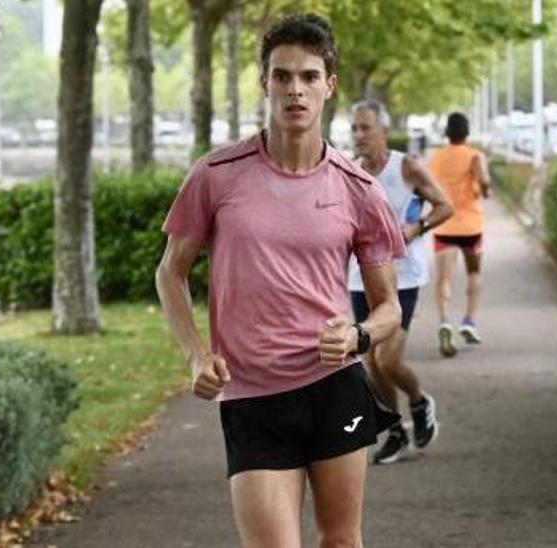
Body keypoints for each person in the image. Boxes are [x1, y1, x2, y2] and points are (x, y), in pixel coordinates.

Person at [154, 14, 405, 546]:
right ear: (263, 81)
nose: (296, 89)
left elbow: (388, 309)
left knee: (341, 540)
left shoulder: (359, 190)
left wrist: (358, 336)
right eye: (283, 76)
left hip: (333, 386)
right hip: (251, 394)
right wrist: (196, 354)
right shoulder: (215, 176)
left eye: (310, 77)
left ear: (329, 86)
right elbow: (171, 273)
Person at [347, 99, 454, 464]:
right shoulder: (349, 172)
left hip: (403, 277)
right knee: (373, 362)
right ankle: (395, 431)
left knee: (387, 359)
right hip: (360, 278)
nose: (359, 135)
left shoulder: (405, 167)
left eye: (366, 128)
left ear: (383, 130)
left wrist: (415, 227)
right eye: (354, 129)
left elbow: (445, 205)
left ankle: (420, 402)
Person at [428, 112, 491, 357]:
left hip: (443, 224)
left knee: (443, 279)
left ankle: (444, 321)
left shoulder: (436, 158)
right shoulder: (475, 155)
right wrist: (484, 189)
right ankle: (469, 321)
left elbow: (429, 187)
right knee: (474, 272)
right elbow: (484, 182)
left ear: (447, 133)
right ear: (467, 132)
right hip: (470, 227)